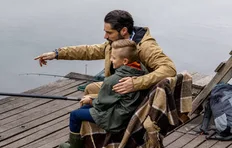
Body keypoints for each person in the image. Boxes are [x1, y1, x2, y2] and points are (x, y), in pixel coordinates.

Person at [34, 10, 176, 96]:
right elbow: (88, 51)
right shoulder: (114, 44)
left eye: (109, 32)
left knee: (91, 93)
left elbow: (169, 69)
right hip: (117, 87)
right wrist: (57, 53)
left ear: (124, 31)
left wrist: (136, 83)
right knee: (90, 89)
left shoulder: (145, 46)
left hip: (136, 92)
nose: (105, 36)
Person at [52, 39, 148, 148]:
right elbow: (112, 97)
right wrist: (92, 100)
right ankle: (77, 144)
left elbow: (102, 104)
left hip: (116, 117)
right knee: (83, 109)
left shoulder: (114, 80)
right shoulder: (141, 70)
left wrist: (90, 100)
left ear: (124, 61)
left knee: (75, 115)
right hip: (126, 110)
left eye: (113, 58)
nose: (111, 60)